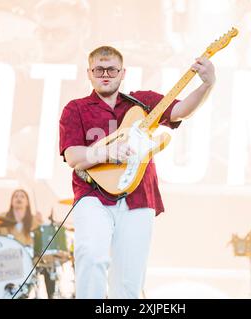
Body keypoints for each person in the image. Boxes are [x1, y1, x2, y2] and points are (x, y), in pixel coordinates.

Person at [59, 46, 215, 298]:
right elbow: (73, 156)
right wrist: (108, 153)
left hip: (139, 196)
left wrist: (206, 85)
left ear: (123, 73)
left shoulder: (143, 102)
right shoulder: (75, 108)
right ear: (89, 73)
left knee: (129, 281)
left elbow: (181, 110)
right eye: (99, 69)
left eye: (112, 69)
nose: (105, 74)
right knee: (91, 256)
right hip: (92, 195)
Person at [0, 189, 58, 298]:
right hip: (6, 259)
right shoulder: (2, 217)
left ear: (27, 202)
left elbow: (41, 241)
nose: (19, 198)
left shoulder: (34, 220)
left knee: (49, 264)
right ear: (11, 202)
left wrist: (42, 222)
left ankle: (52, 296)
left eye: (22, 196)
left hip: (29, 259)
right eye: (16, 196)